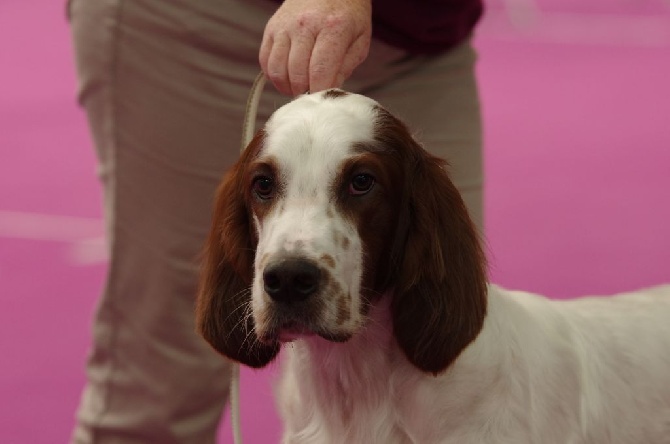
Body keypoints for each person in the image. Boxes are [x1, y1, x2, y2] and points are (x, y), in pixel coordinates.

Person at [67, 0, 484, 442]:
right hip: (203, 24)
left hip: (419, 39)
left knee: (445, 346)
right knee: (158, 384)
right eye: (264, 188)